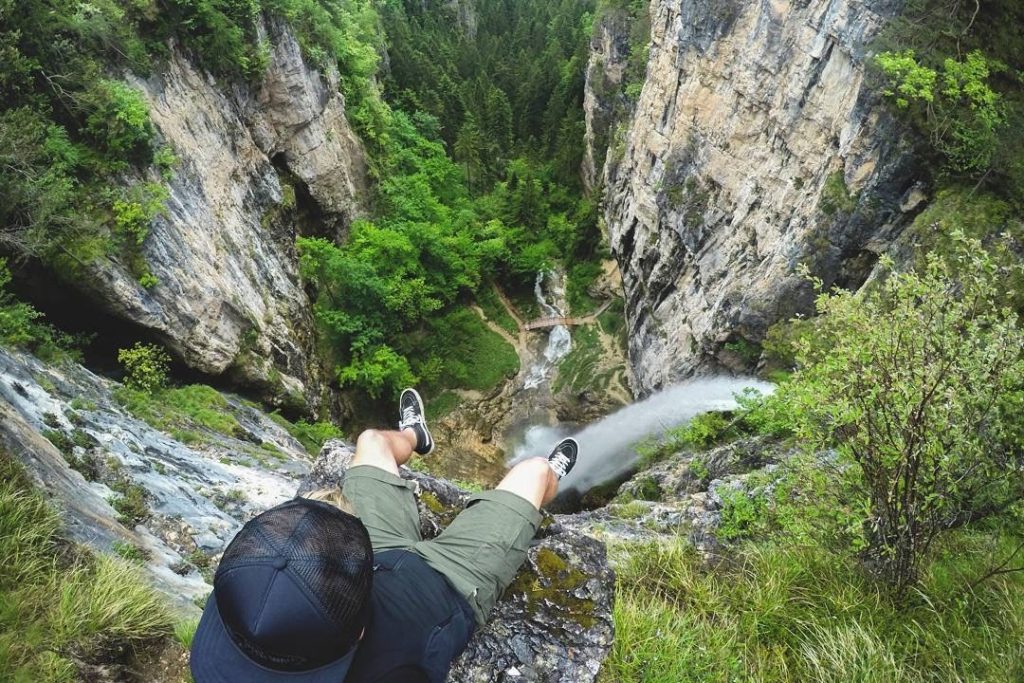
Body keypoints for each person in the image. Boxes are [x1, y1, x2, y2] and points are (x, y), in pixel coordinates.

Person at [190, 388, 579, 682]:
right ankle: (551, 474)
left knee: (371, 442)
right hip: (449, 584)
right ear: (360, 631)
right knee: (533, 471)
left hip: (367, 555)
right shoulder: (396, 670)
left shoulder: (246, 604)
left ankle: (414, 438)